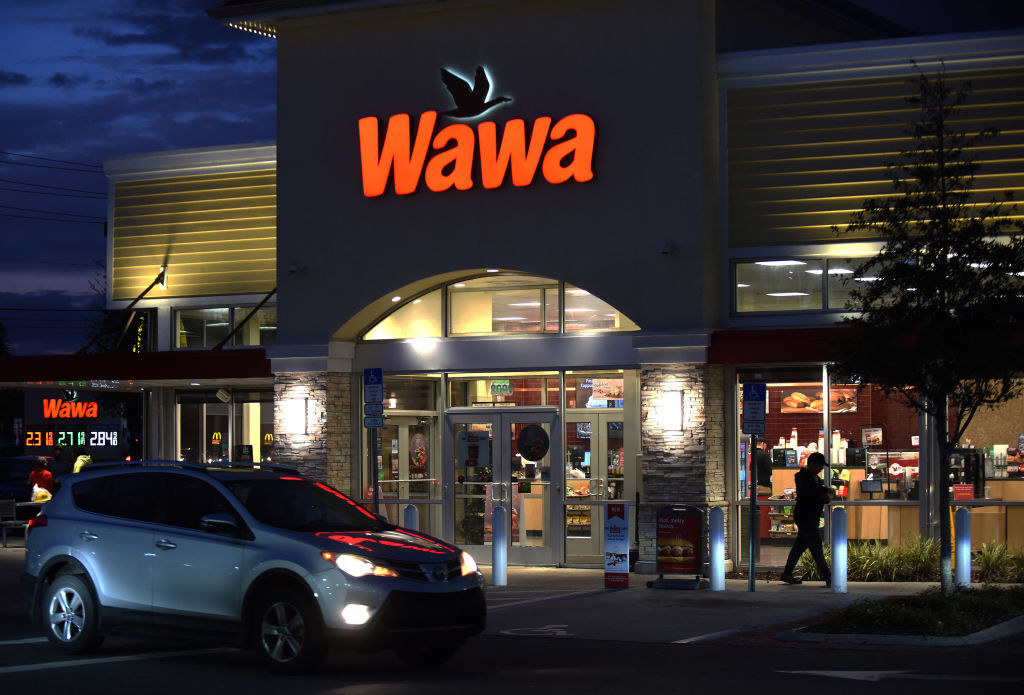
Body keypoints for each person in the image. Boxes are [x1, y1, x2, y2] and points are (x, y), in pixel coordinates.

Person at [780, 451, 832, 585]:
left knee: (799, 547)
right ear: (812, 465)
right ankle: (829, 578)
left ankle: (787, 574)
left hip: (809, 517)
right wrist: (823, 493)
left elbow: (816, 493)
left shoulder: (814, 478)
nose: (821, 469)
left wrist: (824, 492)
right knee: (816, 548)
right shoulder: (802, 477)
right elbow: (808, 494)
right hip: (806, 518)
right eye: (819, 466)